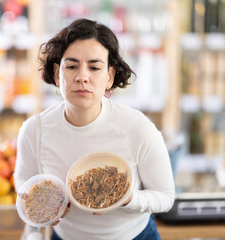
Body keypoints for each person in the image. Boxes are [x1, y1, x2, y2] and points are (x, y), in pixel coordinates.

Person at [14, 18, 175, 240]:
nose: (82, 77)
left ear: (109, 77)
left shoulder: (138, 128)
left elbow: (165, 198)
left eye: (94, 67)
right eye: (71, 66)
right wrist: (45, 208)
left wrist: (127, 199)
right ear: (56, 73)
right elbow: (24, 183)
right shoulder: (35, 130)